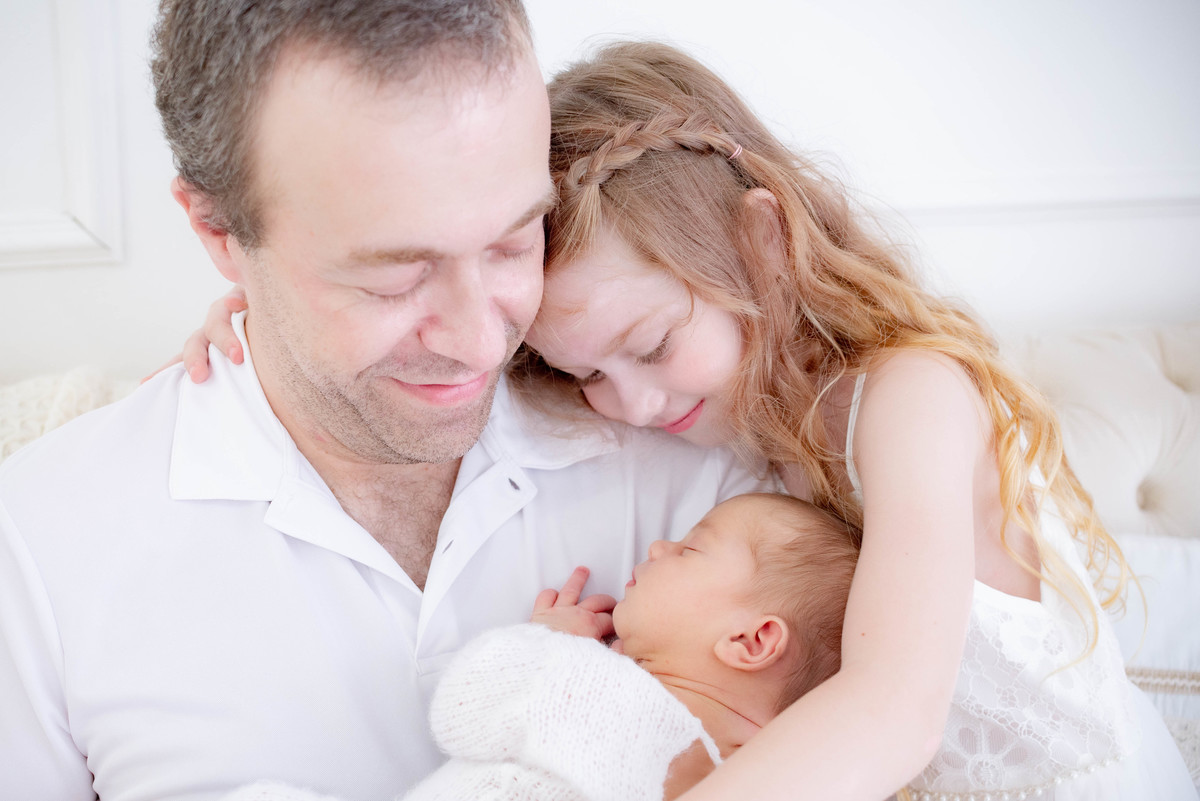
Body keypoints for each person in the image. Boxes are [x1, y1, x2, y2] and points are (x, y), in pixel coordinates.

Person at [185, 41, 1197, 800]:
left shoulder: (914, 397)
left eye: (653, 346)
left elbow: (892, 711)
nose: (629, 402)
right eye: (584, 374)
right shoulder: (728, 422)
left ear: (760, 246)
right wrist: (282, 314)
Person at [0, 6, 772, 799]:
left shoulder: (702, 461)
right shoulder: (41, 545)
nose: (481, 342)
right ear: (219, 229)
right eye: (393, 276)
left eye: (516, 240)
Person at [227, 493, 861, 801]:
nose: (660, 548)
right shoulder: (768, 771)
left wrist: (550, 644)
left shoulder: (604, 689)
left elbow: (467, 715)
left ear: (751, 641)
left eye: (690, 549)